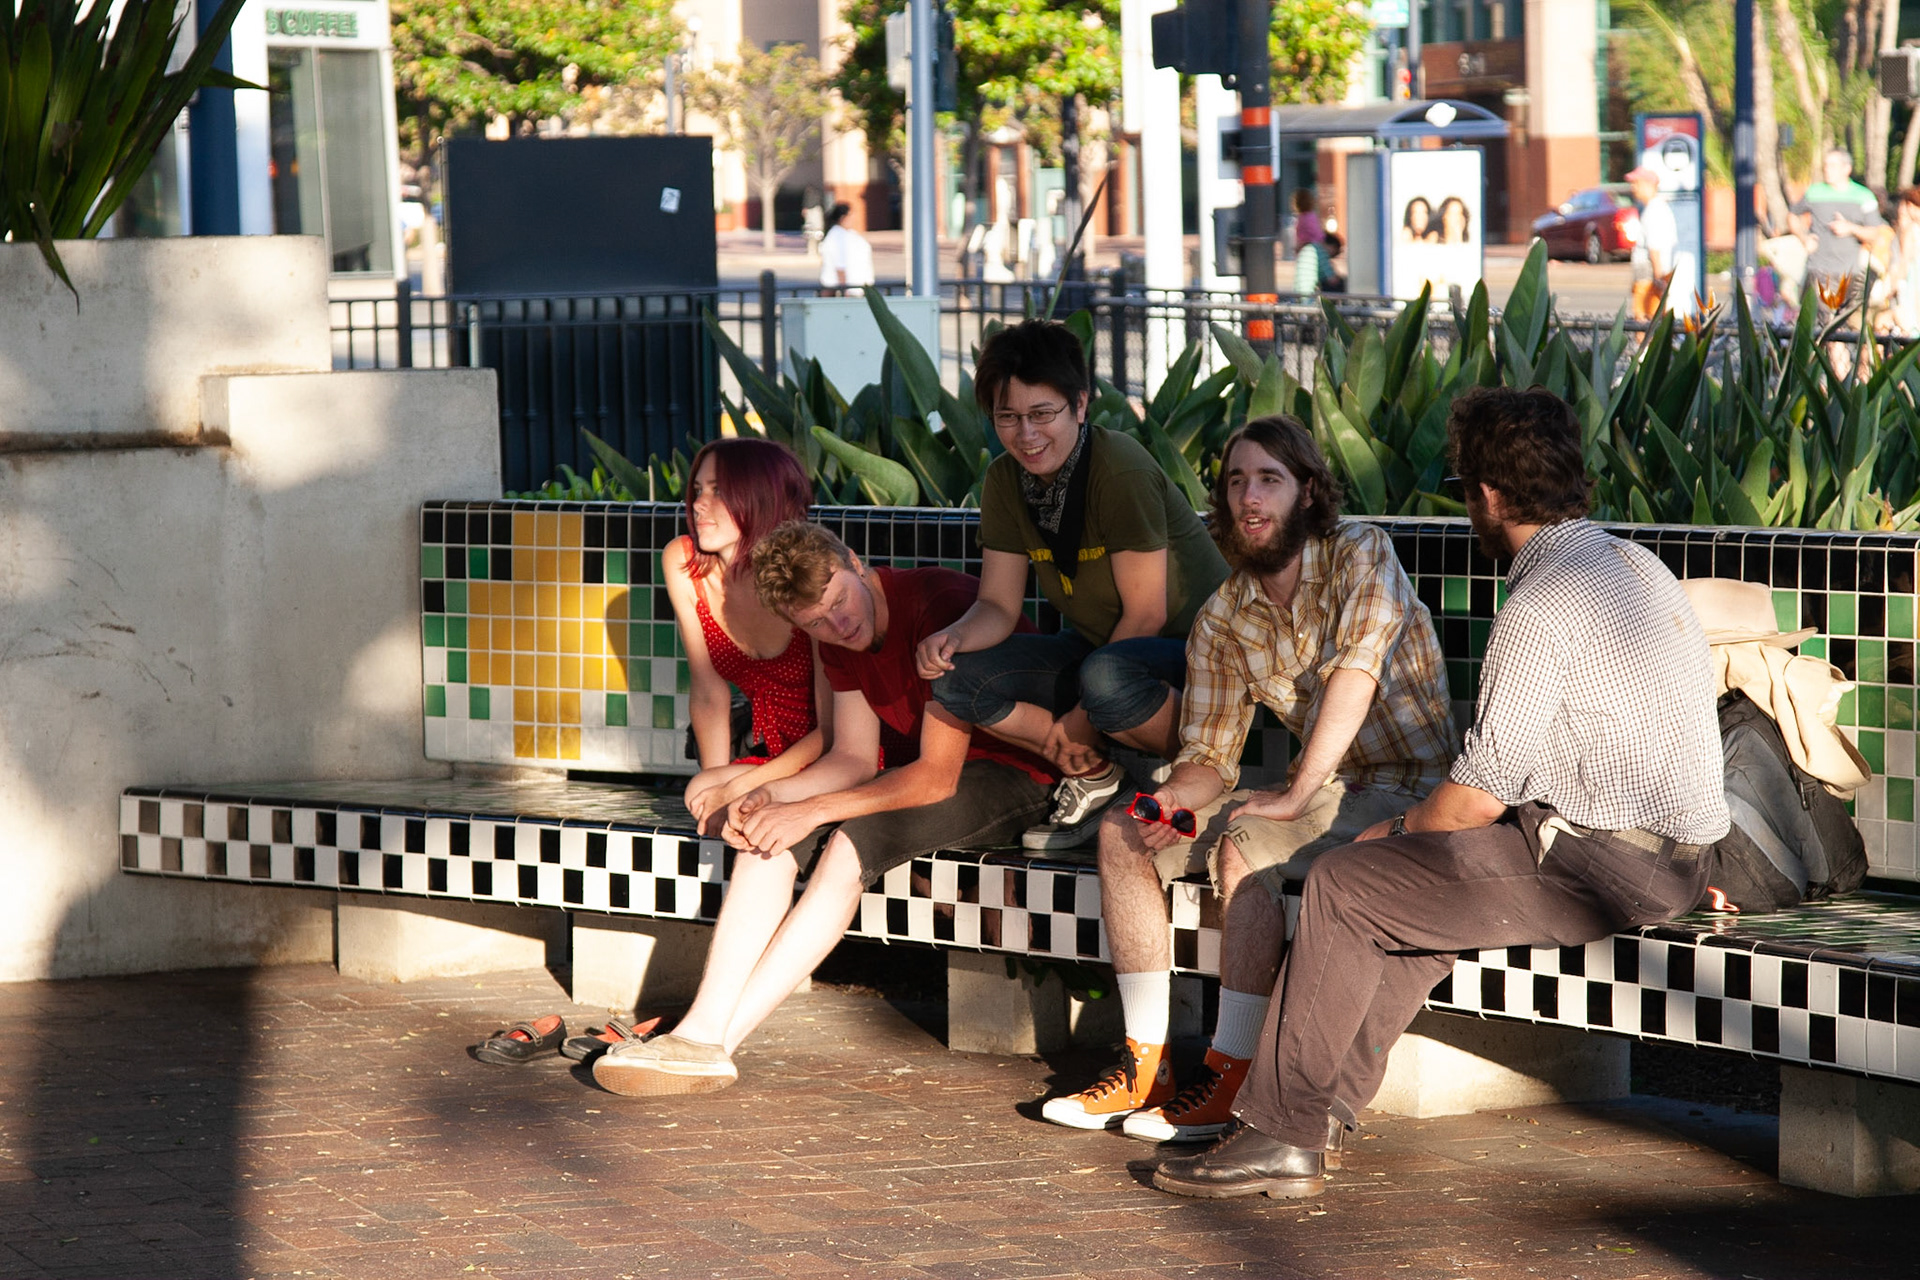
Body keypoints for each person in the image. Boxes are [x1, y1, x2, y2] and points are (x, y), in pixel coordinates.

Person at [1149, 387, 1729, 1201]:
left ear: (1488, 496)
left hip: (1599, 866)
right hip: (1670, 856)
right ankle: (1324, 1109)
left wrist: (1390, 834)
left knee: (1345, 884)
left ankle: (1281, 1133)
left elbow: (1477, 799)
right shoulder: (1633, 565)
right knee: (1405, 904)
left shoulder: (1541, 602)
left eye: (1465, 493)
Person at [1038, 415, 1457, 1135]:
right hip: (1321, 790)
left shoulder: (1361, 553)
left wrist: (1293, 794)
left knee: (1246, 841)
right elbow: (1208, 755)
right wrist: (1170, 799)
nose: (1249, 497)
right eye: (1236, 482)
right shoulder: (1225, 615)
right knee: (1120, 834)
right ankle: (1146, 1068)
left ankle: (1229, 1079)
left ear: (1308, 491)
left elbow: (1355, 676)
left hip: (1411, 789)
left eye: (1269, 479)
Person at [593, 523, 1059, 1095]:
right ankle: (699, 1033)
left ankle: (710, 1044)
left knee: (847, 847)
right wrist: (769, 797)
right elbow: (853, 758)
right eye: (815, 622)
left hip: (1019, 772)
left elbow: (936, 777)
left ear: (855, 564)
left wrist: (811, 809)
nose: (837, 625)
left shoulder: (938, 604)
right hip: (925, 773)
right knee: (767, 838)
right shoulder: (838, 639)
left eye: (839, 601)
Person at [917, 321, 1228, 850]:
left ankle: (1208, 776)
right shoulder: (1004, 481)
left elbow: (1146, 614)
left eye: (1042, 414)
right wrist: (953, 639)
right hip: (1104, 656)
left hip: (1203, 659)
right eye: (1008, 417)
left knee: (1103, 678)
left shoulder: (1118, 469)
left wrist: (1082, 718)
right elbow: (997, 605)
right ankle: (1095, 777)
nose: (1026, 434)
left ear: (1080, 405)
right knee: (957, 678)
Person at [665, 439, 826, 836]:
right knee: (701, 793)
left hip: (833, 754)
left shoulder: (808, 573)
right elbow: (708, 692)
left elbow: (836, 730)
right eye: (698, 490)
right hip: (772, 752)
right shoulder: (684, 563)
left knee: (734, 802)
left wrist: (734, 788)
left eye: (719, 491)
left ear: (760, 497)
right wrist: (716, 791)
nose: (699, 504)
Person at [1792, 148, 1883, 313]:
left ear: (1847, 168)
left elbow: (1875, 234)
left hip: (1849, 272)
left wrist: (1851, 228)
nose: (1827, 169)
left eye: (1832, 165)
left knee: (1845, 323)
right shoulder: (1814, 192)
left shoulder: (1864, 196)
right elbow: (1792, 216)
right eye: (1825, 165)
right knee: (1823, 322)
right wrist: (1804, 238)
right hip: (1819, 269)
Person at [1626, 165, 1677, 321]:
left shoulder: (1654, 211)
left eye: (1636, 183)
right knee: (1653, 318)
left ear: (1648, 184)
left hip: (1649, 277)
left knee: (1645, 320)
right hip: (1652, 275)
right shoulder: (1656, 208)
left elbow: (1654, 248)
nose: (1633, 188)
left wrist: (1658, 278)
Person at [818, 203, 875, 296]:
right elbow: (840, 266)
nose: (854, 219)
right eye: (851, 215)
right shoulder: (836, 237)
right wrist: (844, 291)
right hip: (850, 290)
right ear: (843, 218)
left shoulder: (850, 234)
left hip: (861, 288)